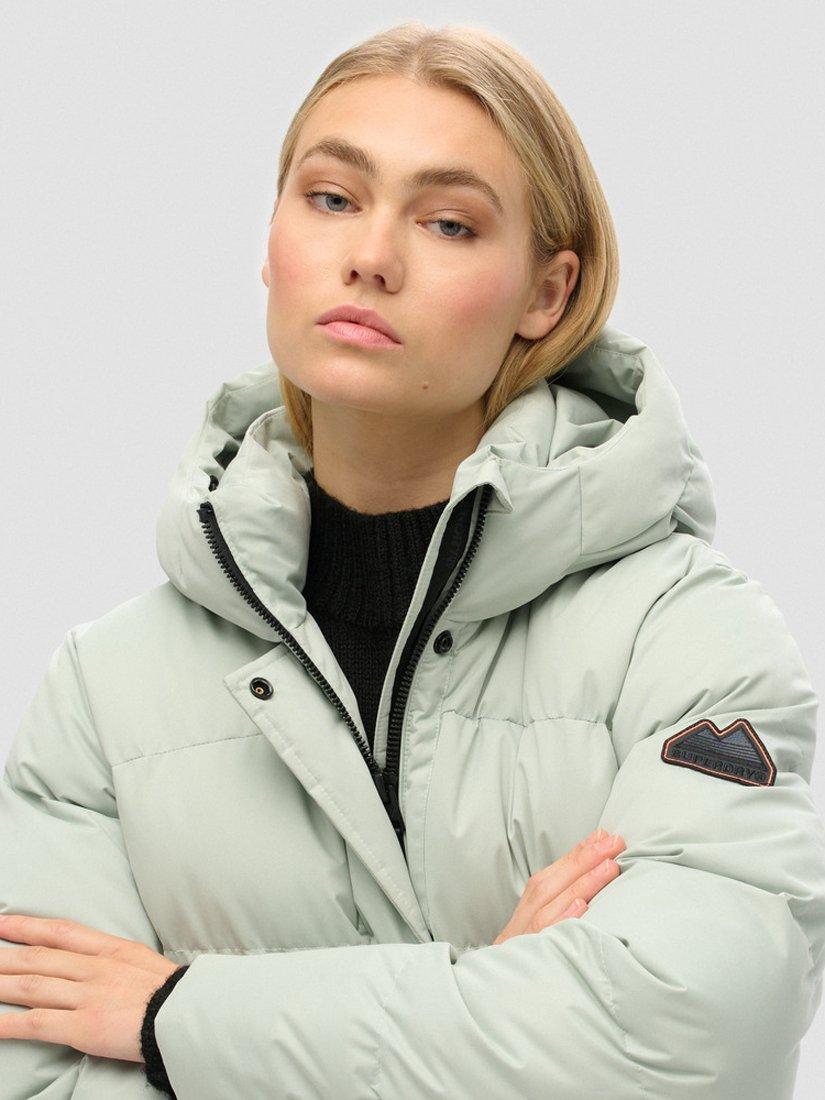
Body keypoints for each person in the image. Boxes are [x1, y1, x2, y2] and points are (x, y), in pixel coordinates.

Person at [1, 20, 824, 1100]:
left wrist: (173, 1016)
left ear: (547, 293)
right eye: (331, 198)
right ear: (271, 239)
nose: (371, 257)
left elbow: (696, 1037)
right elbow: (44, 1081)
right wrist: (503, 1000)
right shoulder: (104, 694)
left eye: (447, 222)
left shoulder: (687, 636)